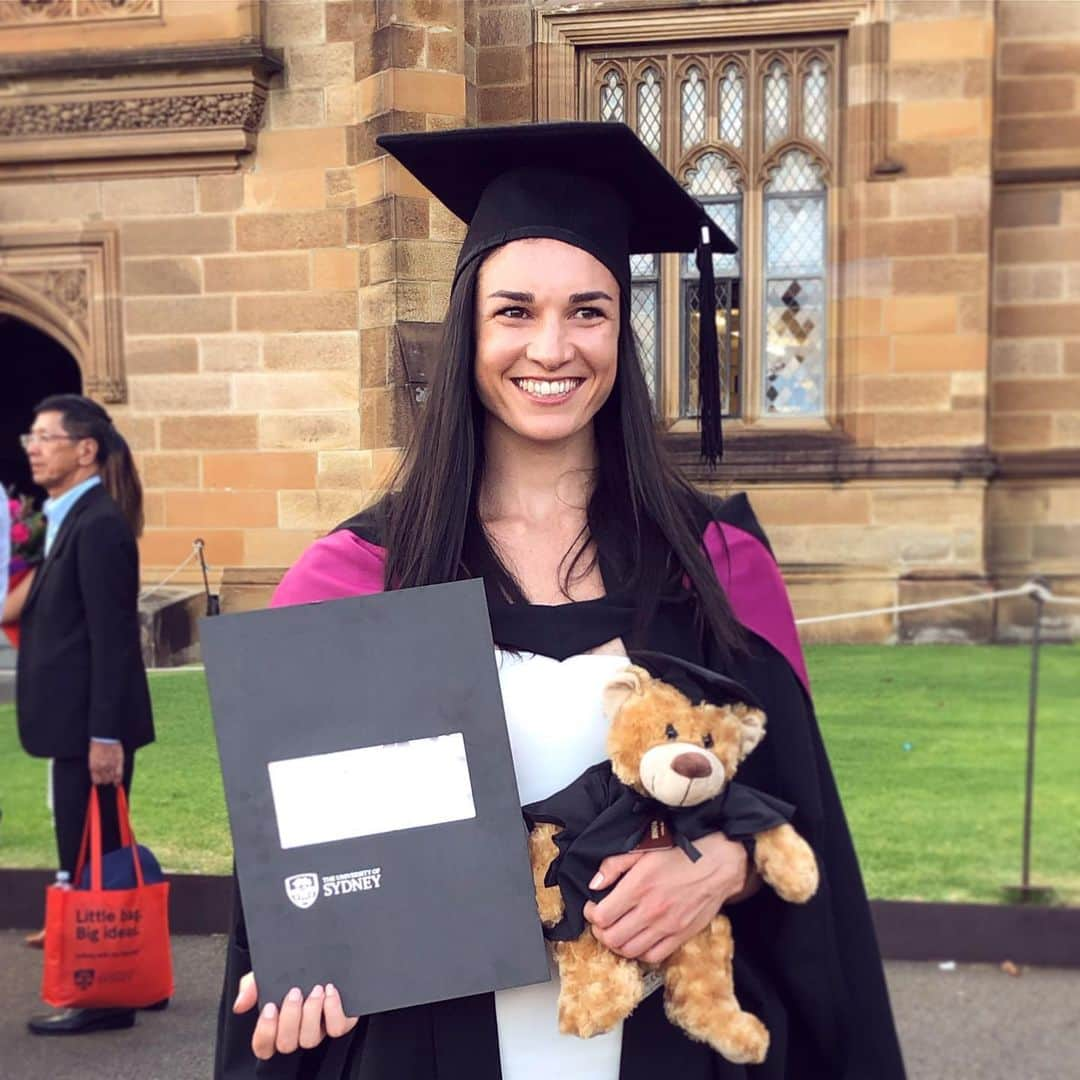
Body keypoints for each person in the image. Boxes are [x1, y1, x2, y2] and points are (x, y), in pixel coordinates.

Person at [215, 122, 906, 1079]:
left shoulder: (715, 562)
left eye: (588, 311)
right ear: (470, 328)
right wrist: (300, 972)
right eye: (514, 311)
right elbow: (306, 873)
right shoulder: (356, 575)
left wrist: (725, 865)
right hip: (432, 1046)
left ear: (622, 329)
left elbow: (801, 825)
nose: (552, 346)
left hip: (670, 1041)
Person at [17, 394, 155, 1035]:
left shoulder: (98, 524)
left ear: (85, 450)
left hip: (89, 731)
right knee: (102, 852)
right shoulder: (71, 518)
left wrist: (106, 735)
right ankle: (134, 971)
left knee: (92, 856)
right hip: (73, 726)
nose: (33, 447)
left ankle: (102, 997)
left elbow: (113, 638)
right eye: (31, 437)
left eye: (46, 437)